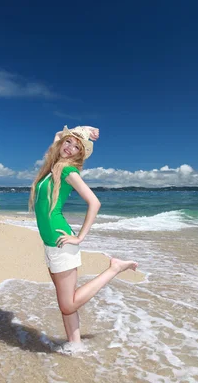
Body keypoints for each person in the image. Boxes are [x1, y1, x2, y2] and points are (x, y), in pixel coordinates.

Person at [29, 125, 138, 347]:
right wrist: (82, 129)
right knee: (65, 303)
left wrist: (79, 238)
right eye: (69, 143)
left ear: (80, 154)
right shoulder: (53, 167)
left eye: (77, 147)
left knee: (68, 304)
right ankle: (75, 345)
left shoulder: (68, 171)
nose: (70, 148)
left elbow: (94, 202)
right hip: (51, 244)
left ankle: (114, 268)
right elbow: (58, 136)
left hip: (62, 244)